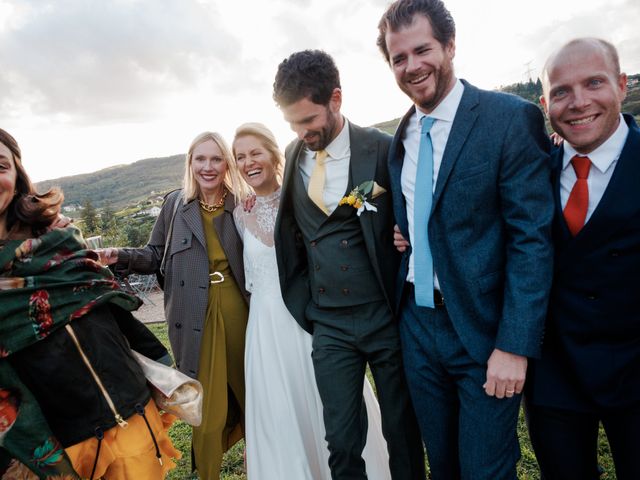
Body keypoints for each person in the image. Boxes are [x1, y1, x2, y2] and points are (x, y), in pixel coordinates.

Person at [377, 0, 554, 478]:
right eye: (398, 58)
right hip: (416, 324)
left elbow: (531, 240)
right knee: (445, 464)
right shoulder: (403, 135)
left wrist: (514, 345)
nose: (412, 66)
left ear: (450, 45)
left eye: (422, 49)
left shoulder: (508, 119)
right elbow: (427, 213)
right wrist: (408, 234)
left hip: (483, 331)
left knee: (486, 469)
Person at [272, 50, 425, 479]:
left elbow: (412, 210)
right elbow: (291, 231)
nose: (301, 132)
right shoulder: (293, 155)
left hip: (384, 317)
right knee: (340, 439)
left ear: (335, 99)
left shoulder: (379, 148)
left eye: (307, 120)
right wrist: (307, 307)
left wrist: (407, 238)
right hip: (329, 324)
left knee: (402, 432)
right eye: (291, 124)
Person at [0, 127, 180, 480]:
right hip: (58, 442)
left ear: (17, 174)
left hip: (130, 410)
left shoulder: (60, 237)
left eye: (0, 165)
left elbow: (107, 305)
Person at [232, 122, 391, 479]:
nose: (248, 162)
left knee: (331, 410)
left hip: (308, 320)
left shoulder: (301, 198)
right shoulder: (240, 214)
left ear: (274, 155)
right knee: (280, 414)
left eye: (255, 152)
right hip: (265, 331)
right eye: (240, 157)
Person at [100, 132, 250, 478]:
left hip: (240, 312)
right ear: (190, 163)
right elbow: (154, 255)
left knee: (253, 397)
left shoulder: (242, 202)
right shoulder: (174, 205)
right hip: (191, 314)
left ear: (227, 163)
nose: (208, 167)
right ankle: (208, 473)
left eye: (216, 159)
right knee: (203, 406)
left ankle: (262, 466)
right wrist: (118, 255)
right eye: (200, 159)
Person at [526, 38, 640, 480]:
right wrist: (407, 233)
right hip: (556, 375)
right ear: (545, 103)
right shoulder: (533, 168)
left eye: (594, 83)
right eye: (561, 91)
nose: (578, 103)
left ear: (622, 85)